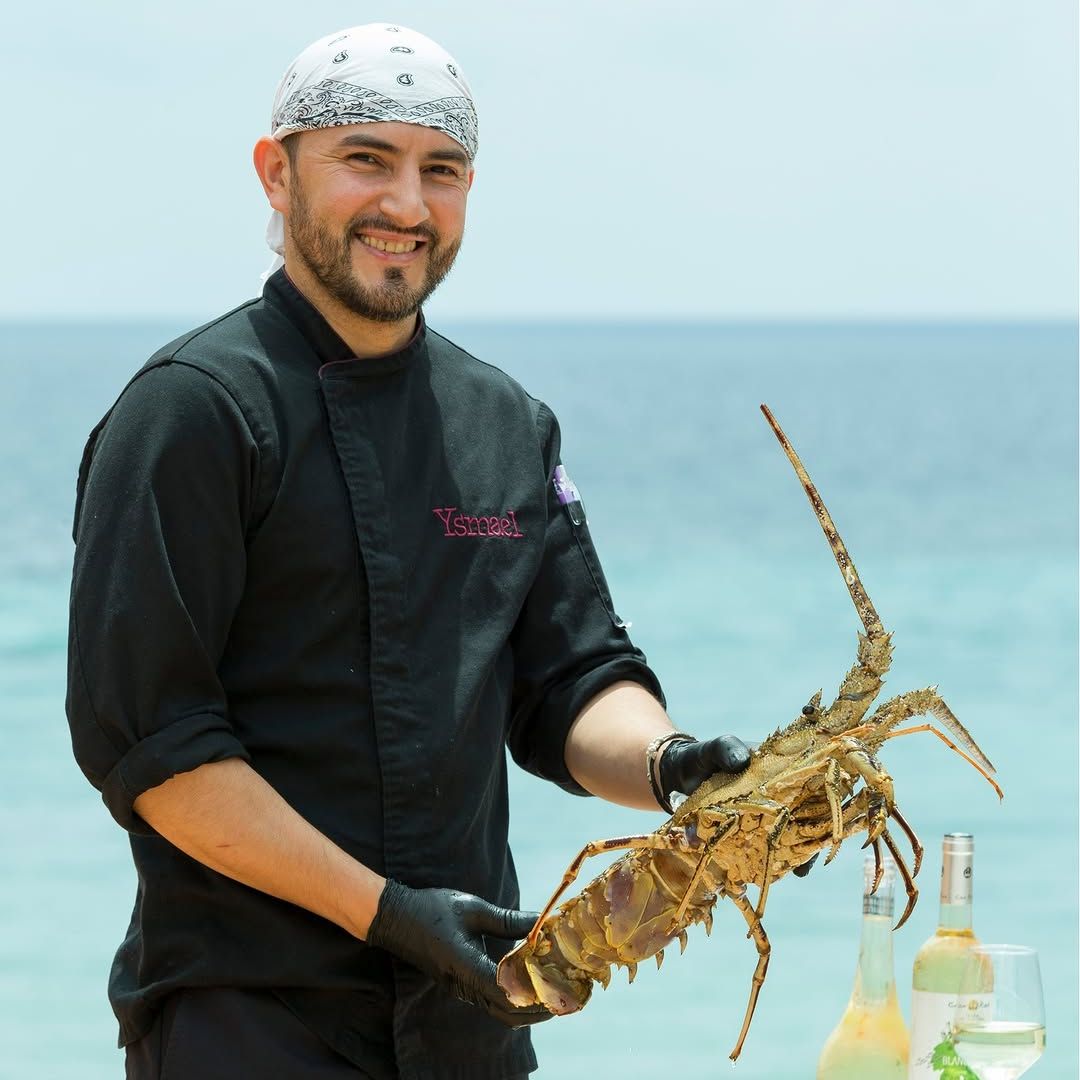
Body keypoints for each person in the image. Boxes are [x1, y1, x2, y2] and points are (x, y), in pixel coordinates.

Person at [65, 23, 758, 1080]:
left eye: (441, 171)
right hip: (247, 1020)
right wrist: (388, 914)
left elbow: (570, 682)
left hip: (472, 1018)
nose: (406, 205)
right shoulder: (192, 414)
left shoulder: (503, 422)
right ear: (275, 171)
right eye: (365, 160)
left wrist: (672, 766)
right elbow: (155, 750)